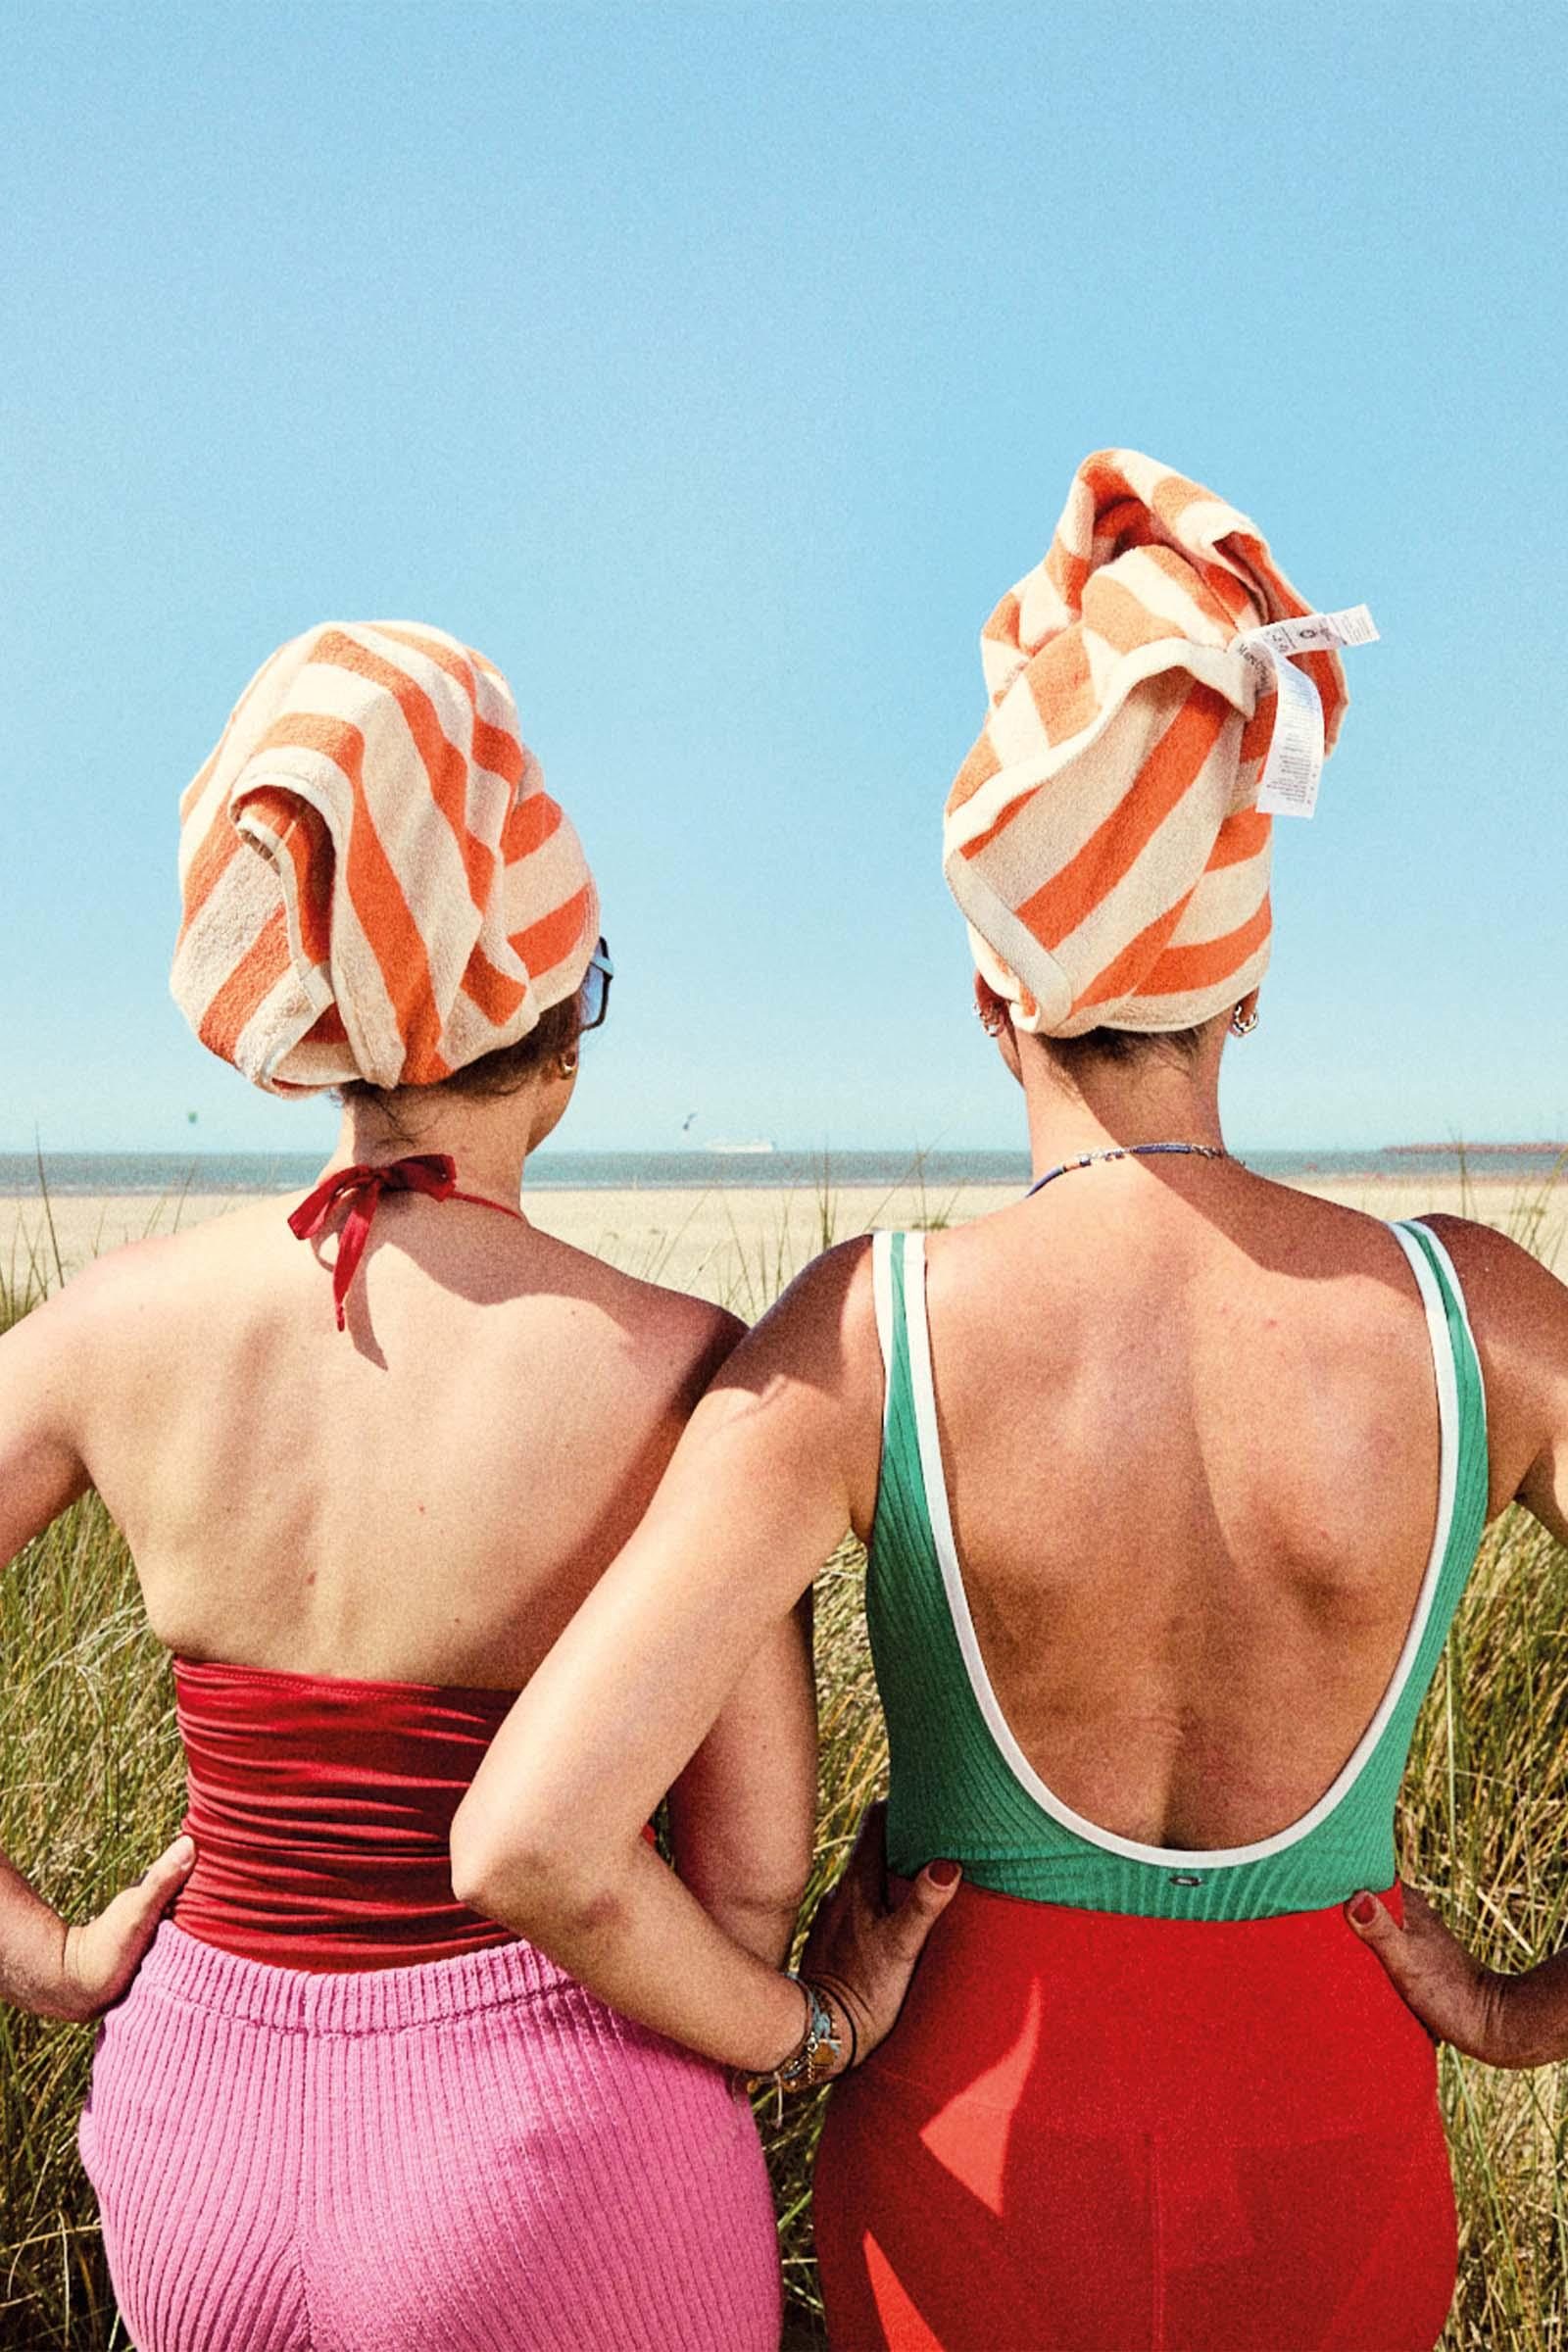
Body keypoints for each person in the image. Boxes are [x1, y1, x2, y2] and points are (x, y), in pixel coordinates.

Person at [452, 452, 1568, 2352]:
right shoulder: (1478, 1324)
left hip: (967, 2172)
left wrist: (801, 2025)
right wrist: (1523, 2014)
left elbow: (529, 1838)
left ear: (989, 990)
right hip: (1332, 2152)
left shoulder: (868, 1336)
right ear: (1248, 974)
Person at [0, 618, 814, 2352]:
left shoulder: (103, 1328)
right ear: (561, 1034)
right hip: (549, 2141)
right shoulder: (678, 1365)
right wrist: (805, 2026)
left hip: (191, 2127)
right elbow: (746, 1880)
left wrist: (46, 1954)